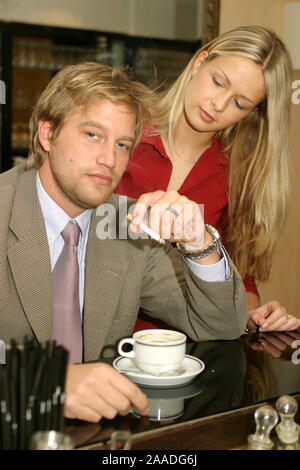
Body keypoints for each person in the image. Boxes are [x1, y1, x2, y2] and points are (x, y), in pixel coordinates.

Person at [0, 62, 248, 423]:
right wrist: (46, 383)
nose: (109, 160)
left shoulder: (125, 223)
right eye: (92, 135)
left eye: (122, 144)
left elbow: (219, 326)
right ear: (47, 134)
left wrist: (199, 242)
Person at [115, 25, 300, 333]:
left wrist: (253, 314)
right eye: (218, 82)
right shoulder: (122, 131)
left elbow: (240, 275)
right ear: (200, 62)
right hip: (95, 338)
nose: (218, 104)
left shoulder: (236, 178)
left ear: (252, 114)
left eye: (239, 103)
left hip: (185, 350)